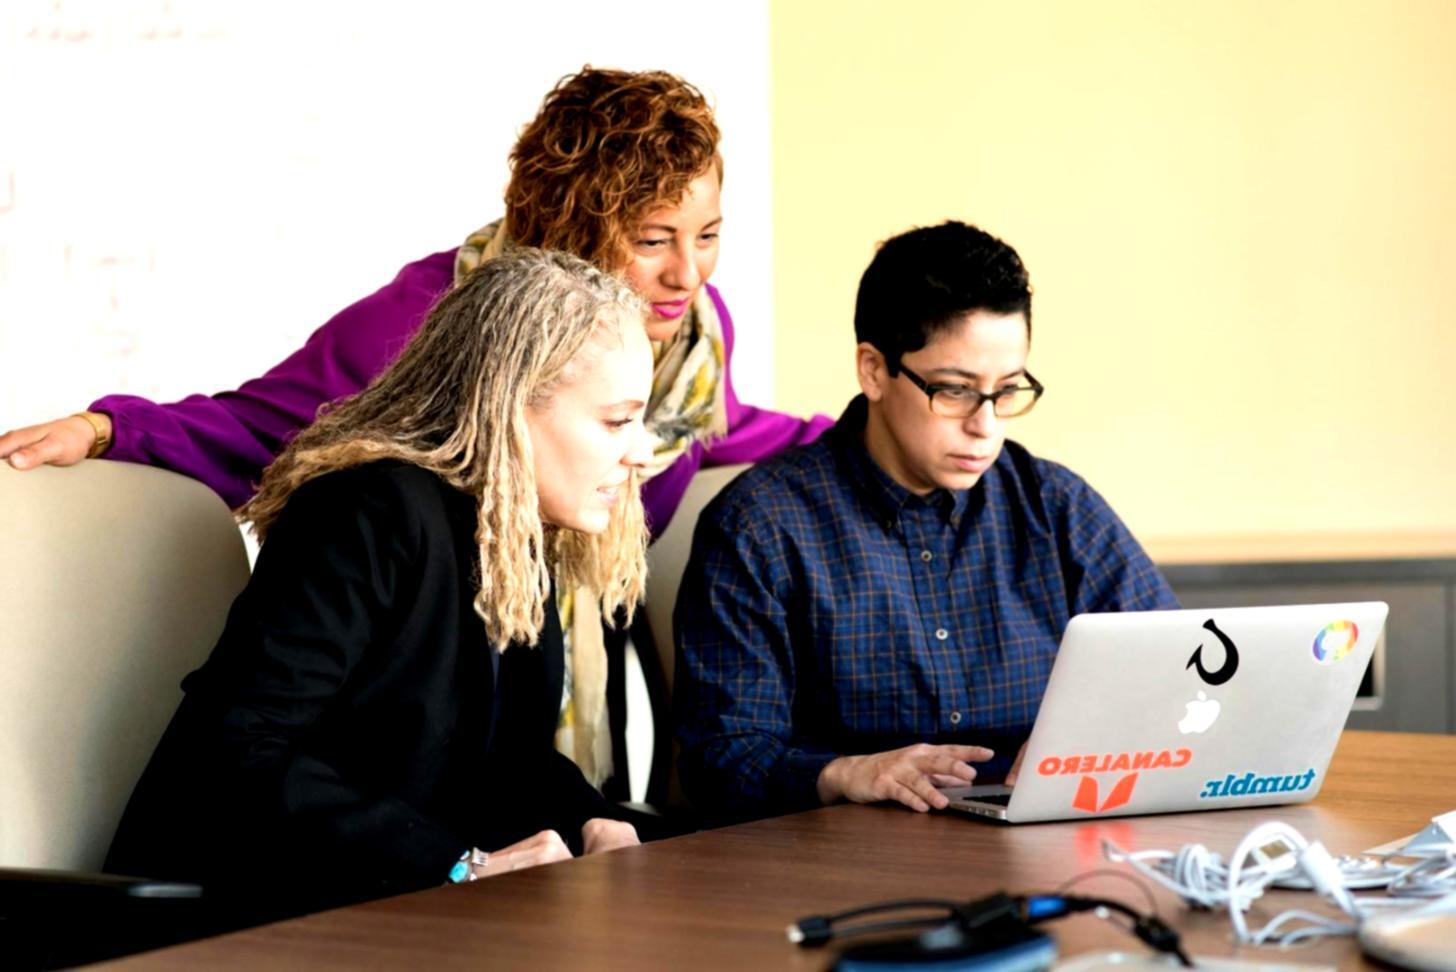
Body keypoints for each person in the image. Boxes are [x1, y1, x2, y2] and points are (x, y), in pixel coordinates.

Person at [0, 67, 830, 788]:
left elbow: (708, 427)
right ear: (577, 226)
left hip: (529, 698)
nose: (688, 271)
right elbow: (260, 426)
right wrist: (109, 431)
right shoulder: (425, 325)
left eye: (709, 236)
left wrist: (861, 438)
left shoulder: (687, 331)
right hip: (414, 729)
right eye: (653, 240)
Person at [106, 248, 653, 924]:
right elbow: (235, 750)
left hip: (380, 914)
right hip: (235, 921)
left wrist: (590, 820)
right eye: (616, 420)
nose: (643, 450)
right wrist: (457, 866)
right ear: (511, 407)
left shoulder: (511, 530)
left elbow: (503, 760)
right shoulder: (366, 509)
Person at [672, 221, 1179, 824]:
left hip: (1046, 848)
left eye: (1007, 391)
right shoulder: (761, 527)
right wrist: (845, 773)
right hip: (845, 864)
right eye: (955, 391)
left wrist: (1096, 750)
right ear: (874, 370)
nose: (986, 425)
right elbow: (719, 759)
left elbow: (1174, 675)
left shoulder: (1056, 507)